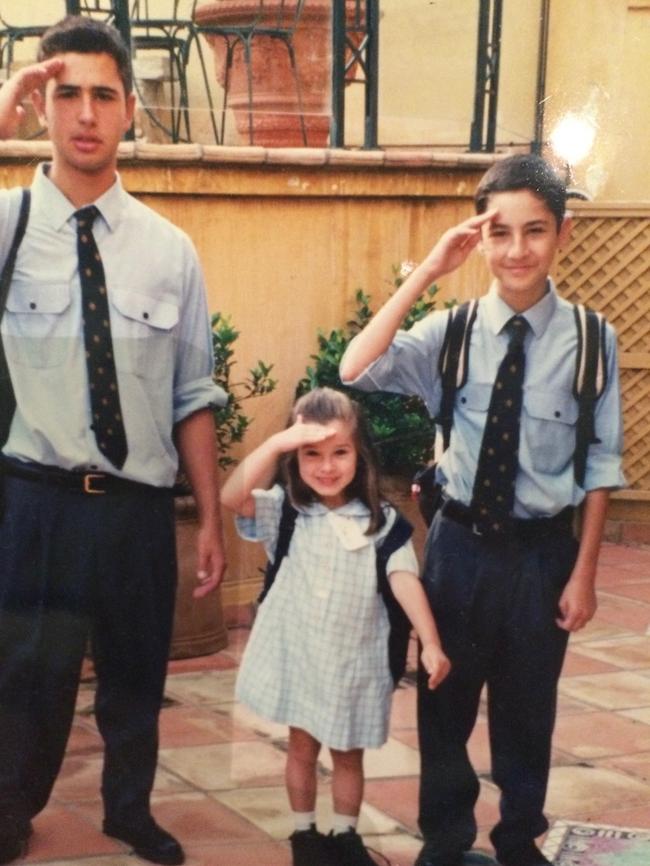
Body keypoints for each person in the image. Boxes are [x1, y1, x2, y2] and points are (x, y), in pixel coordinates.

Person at [339, 153, 625, 866]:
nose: (517, 249)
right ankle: (446, 838)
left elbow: (599, 467)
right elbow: (357, 368)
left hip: (542, 554)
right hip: (461, 550)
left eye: (535, 231)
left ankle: (518, 838)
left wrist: (583, 573)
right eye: (500, 232)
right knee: (445, 703)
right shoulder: (452, 332)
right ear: (480, 238)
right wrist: (428, 272)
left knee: (529, 709)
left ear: (560, 233)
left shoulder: (594, 341)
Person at [0, 16, 226, 866]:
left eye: (103, 95)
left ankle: (130, 809)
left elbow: (192, 393)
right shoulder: (10, 226)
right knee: (27, 677)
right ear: (43, 107)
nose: (84, 114)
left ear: (130, 109)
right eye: (66, 95)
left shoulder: (170, 251)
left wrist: (207, 516)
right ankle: (9, 809)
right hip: (38, 501)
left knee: (136, 674)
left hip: (134, 506)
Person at [220, 386, 450, 866]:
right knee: (302, 748)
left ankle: (345, 836)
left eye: (339, 452)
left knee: (348, 754)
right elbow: (231, 495)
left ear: (360, 455)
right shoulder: (285, 512)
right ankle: (304, 834)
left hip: (354, 662)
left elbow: (404, 579)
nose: (327, 466)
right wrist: (278, 443)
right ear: (294, 456)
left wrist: (430, 641)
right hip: (302, 656)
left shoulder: (382, 523)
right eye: (311, 454)